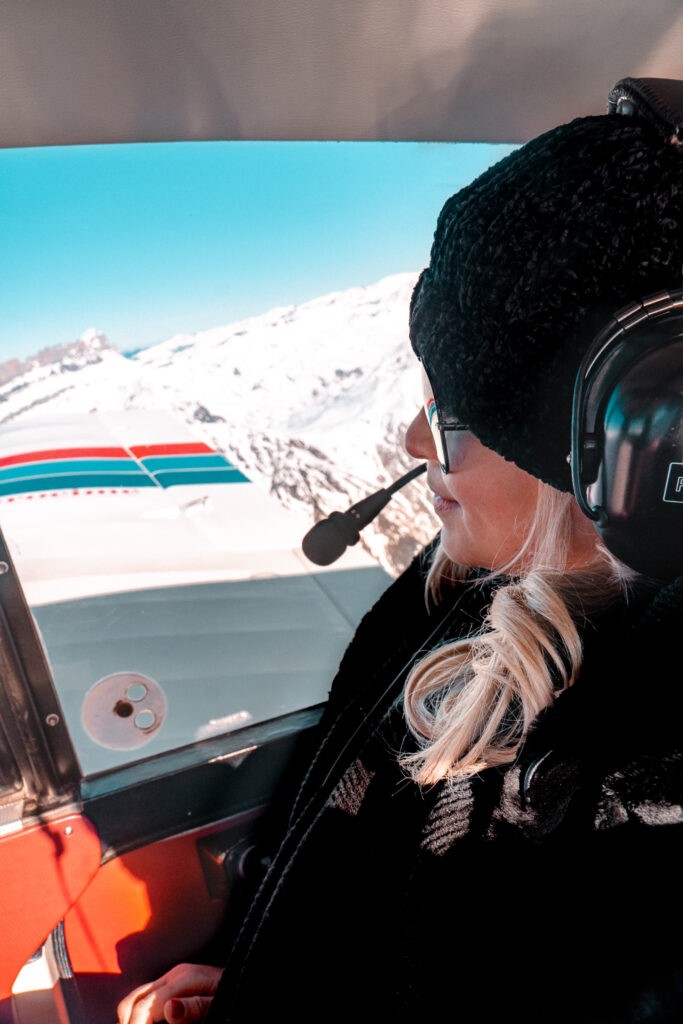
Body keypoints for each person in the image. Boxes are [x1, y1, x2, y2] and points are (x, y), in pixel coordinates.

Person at [118, 90, 683, 1024]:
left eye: (454, 404)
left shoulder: (630, 791)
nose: (415, 441)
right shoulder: (472, 601)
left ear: (645, 434)